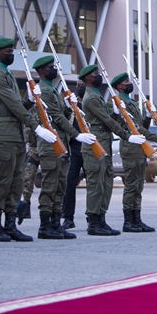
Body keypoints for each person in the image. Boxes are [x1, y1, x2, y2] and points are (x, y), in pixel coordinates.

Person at [0, 38, 56, 242]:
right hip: (4, 132)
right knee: (2, 181)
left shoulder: (6, 74)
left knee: (16, 181)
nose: (11, 54)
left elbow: (16, 104)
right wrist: (36, 126)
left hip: (15, 132)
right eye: (8, 51)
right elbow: (13, 105)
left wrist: (28, 101)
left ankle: (10, 224)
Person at [32, 55, 95, 239]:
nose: (55, 70)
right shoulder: (43, 90)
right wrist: (77, 134)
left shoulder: (52, 89)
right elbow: (56, 118)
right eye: (51, 67)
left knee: (61, 185)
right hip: (51, 144)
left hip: (61, 144)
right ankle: (45, 226)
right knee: (50, 185)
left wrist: (67, 107)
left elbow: (61, 114)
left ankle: (55, 223)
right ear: (42, 71)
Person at [78, 64, 137, 236]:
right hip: (96, 143)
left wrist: (117, 114)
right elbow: (107, 121)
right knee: (96, 185)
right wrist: (127, 136)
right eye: (95, 74)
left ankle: (101, 219)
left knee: (106, 183)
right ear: (88, 78)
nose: (99, 76)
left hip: (104, 142)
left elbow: (110, 120)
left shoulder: (97, 95)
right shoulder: (91, 97)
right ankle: (93, 222)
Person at [111, 72, 157, 232]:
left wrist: (148, 114)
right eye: (126, 81)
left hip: (139, 150)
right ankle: (128, 221)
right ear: (119, 87)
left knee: (139, 185)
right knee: (131, 186)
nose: (129, 83)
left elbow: (140, 124)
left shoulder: (131, 102)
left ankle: (137, 219)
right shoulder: (120, 103)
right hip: (130, 150)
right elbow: (132, 128)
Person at [61, 80, 87, 230]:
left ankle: (95, 218)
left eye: (82, 84)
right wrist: (68, 108)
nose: (80, 87)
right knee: (69, 183)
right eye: (78, 84)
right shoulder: (71, 106)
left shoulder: (90, 104)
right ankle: (68, 218)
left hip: (89, 146)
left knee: (94, 184)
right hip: (74, 147)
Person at [17, 126, 39, 223]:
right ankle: (26, 205)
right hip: (32, 150)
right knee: (27, 179)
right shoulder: (29, 112)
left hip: (48, 149)